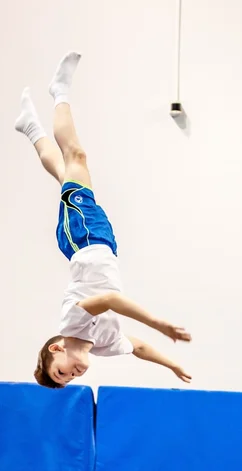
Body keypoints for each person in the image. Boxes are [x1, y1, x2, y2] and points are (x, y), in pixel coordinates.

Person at [15, 52, 192, 388]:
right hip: (102, 243)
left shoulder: (72, 324)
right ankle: (31, 127)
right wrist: (171, 365)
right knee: (65, 171)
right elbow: (137, 347)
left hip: (82, 237)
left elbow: (109, 300)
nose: (73, 374)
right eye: (67, 379)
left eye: (61, 371)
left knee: (76, 157)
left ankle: (60, 93)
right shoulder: (104, 346)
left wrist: (159, 323)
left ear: (57, 347)